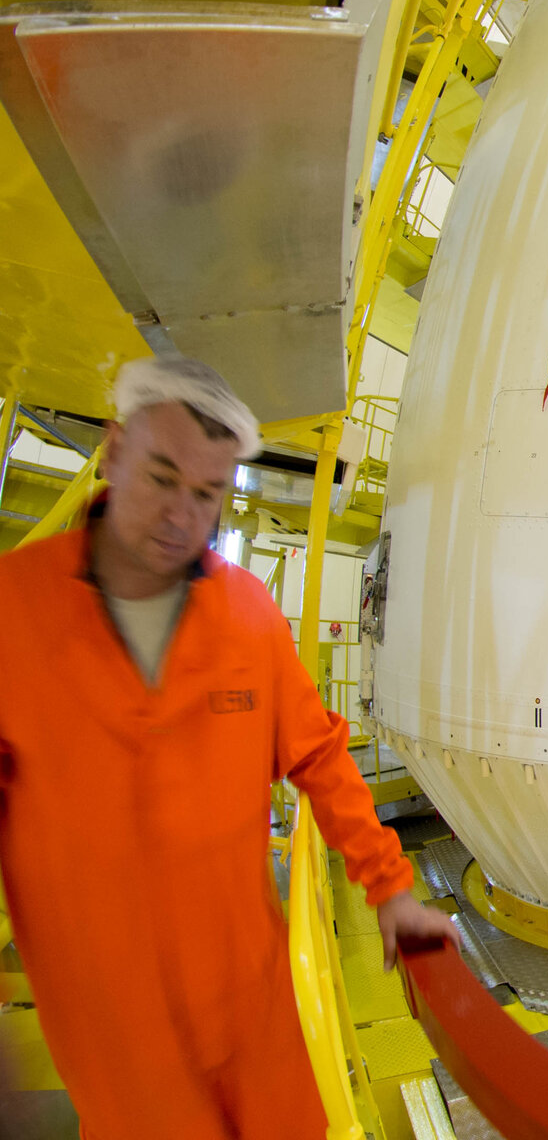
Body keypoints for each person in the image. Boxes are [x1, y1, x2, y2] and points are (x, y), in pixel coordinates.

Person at [0, 356, 456, 1140]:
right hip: (116, 1038)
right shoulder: (16, 612)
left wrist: (392, 890)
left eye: (208, 493)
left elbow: (318, 756)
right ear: (115, 450)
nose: (183, 514)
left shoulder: (246, 616)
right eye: (163, 476)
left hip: (252, 1008)